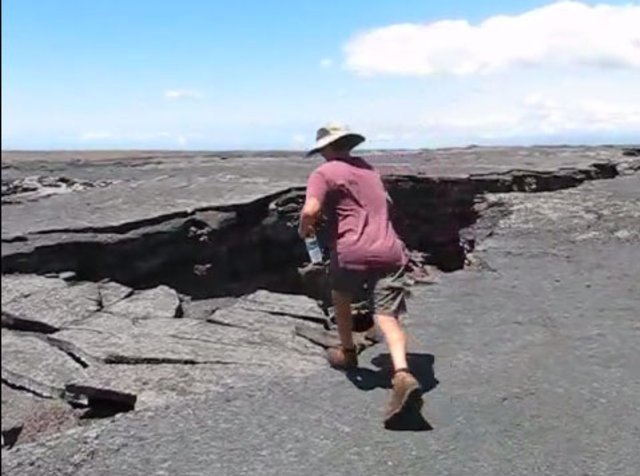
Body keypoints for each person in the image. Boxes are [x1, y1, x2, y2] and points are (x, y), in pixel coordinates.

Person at [299, 124, 423, 426]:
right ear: (348, 145)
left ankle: (348, 352)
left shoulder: (323, 173)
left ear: (327, 149)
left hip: (351, 251)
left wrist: (306, 228)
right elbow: (385, 206)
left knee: (341, 299)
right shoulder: (370, 171)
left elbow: (310, 209)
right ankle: (403, 373)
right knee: (387, 316)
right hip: (390, 250)